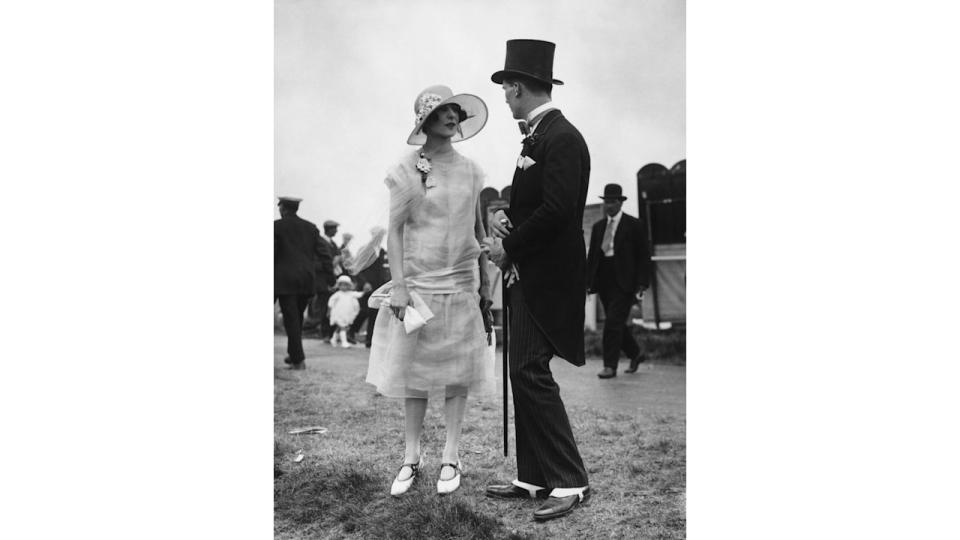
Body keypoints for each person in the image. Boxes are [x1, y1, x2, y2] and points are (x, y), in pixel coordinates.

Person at [482, 39, 591, 522]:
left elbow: (559, 212)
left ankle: (570, 480)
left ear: (520, 87)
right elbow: (536, 208)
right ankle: (533, 476)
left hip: (547, 277)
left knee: (529, 370)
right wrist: (509, 220)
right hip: (529, 272)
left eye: (507, 87)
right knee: (520, 371)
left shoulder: (561, 137)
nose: (504, 95)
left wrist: (510, 245)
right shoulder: (537, 137)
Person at [365, 84, 493, 497]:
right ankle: (411, 455)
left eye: (455, 111)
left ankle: (451, 455)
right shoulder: (407, 169)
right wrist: (399, 285)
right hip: (419, 285)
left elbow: (478, 231)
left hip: (460, 284)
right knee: (415, 373)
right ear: (425, 121)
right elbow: (396, 233)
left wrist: (485, 286)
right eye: (442, 112)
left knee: (459, 373)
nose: (452, 117)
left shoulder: (473, 171)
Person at [586, 183, 651, 378]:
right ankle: (636, 353)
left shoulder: (634, 225)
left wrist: (641, 283)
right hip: (604, 280)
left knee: (612, 323)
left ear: (620, 203)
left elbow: (643, 256)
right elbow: (593, 258)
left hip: (625, 281)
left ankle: (609, 366)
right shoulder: (598, 228)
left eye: (613, 202)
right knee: (617, 323)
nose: (609, 206)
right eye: (606, 202)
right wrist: (589, 282)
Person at [274, 196, 331, 370]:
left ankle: (298, 360)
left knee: (292, 319)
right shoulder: (311, 228)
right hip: (306, 281)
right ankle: (294, 355)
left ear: (283, 208)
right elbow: (325, 253)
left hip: (283, 280)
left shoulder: (276, 226)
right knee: (296, 319)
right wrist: (331, 277)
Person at [305, 220, 340, 338]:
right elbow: (315, 262)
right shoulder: (320, 242)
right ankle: (319, 331)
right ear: (329, 229)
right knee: (321, 307)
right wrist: (331, 264)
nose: (336, 231)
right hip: (321, 281)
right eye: (335, 228)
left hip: (330, 280)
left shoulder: (333, 244)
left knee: (328, 306)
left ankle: (325, 332)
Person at [327, 275, 363, 348]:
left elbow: (358, 294)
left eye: (345, 285)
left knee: (340, 327)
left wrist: (364, 292)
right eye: (341, 285)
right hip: (338, 314)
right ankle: (344, 342)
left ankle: (333, 339)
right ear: (339, 286)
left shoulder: (351, 293)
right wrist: (329, 311)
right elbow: (330, 302)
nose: (343, 287)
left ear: (349, 286)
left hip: (346, 314)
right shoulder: (338, 294)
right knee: (343, 327)